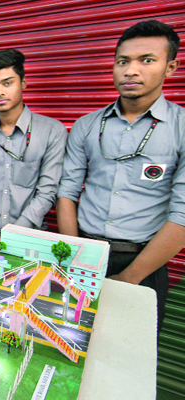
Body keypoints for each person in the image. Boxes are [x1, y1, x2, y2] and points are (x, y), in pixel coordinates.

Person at [57, 20, 183, 330]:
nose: (131, 70)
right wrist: (75, 257)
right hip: (85, 253)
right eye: (123, 61)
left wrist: (130, 277)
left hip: (142, 263)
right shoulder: (87, 125)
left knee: (128, 350)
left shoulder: (180, 128)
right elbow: (67, 193)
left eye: (147, 60)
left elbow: (182, 216)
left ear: (170, 68)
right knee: (69, 338)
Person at [0, 49, 68, 237]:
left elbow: (47, 191)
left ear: (23, 83)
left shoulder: (52, 131)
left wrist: (13, 234)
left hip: (28, 236)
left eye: (7, 83)